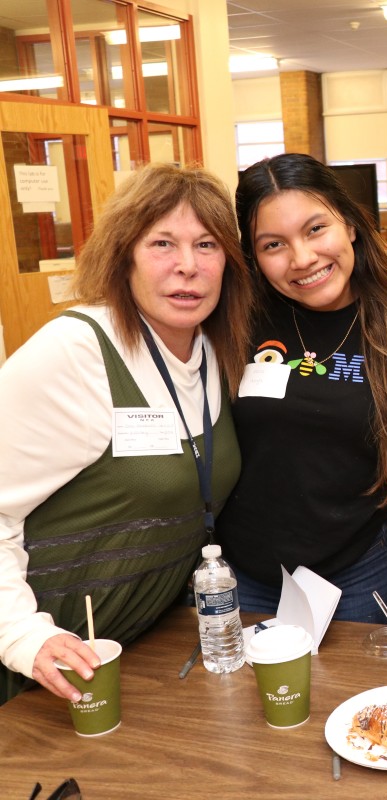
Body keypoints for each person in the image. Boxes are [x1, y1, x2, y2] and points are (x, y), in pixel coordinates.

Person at [0, 164, 254, 704]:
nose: (187, 267)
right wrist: (22, 635)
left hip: (138, 647)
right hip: (42, 666)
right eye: (163, 243)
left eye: (207, 245)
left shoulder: (214, 351)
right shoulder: (77, 352)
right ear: (125, 255)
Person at [221, 153, 387, 623]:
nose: (302, 258)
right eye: (273, 245)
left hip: (357, 574)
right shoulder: (232, 320)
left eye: (315, 229)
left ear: (349, 224)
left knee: (358, 697)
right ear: (253, 255)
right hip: (242, 576)